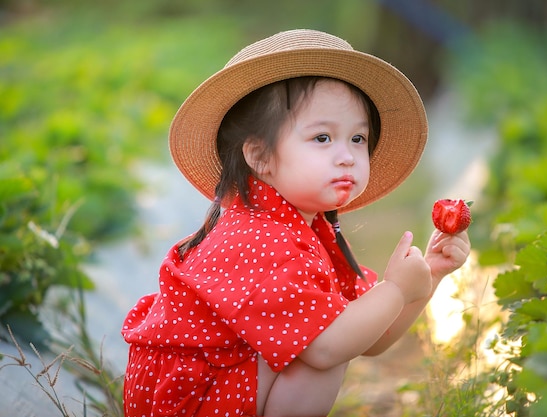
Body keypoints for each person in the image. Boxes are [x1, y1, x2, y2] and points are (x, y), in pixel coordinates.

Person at [121, 29, 470, 417]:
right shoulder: (258, 239)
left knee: (336, 328)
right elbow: (328, 347)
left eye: (358, 139)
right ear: (260, 156)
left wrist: (428, 278)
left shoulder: (304, 229)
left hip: (213, 391)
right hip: (189, 401)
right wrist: (394, 290)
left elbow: (369, 338)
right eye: (322, 138)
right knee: (322, 347)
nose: (347, 156)